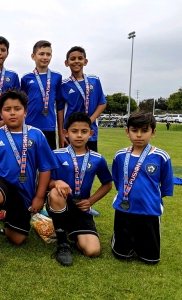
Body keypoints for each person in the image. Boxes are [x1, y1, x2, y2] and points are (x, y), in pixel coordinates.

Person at [0, 89, 57, 260]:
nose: (12, 113)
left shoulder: (37, 135)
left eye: (17, 108)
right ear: (1, 113)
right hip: (1, 184)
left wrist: (39, 197)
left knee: (17, 239)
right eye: (7, 109)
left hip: (24, 195)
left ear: (25, 111)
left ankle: (6, 220)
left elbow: (45, 168)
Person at [47, 112, 112, 266]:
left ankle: (70, 232)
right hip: (58, 203)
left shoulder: (97, 159)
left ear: (91, 133)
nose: (79, 136)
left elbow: (107, 184)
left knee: (92, 251)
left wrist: (90, 201)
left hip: (80, 208)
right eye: (74, 131)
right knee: (56, 193)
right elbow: (46, 182)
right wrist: (57, 182)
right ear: (65, 133)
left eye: (84, 132)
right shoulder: (56, 155)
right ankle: (63, 244)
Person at [111, 111, 173, 264]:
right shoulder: (120, 156)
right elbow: (117, 180)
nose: (139, 135)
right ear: (127, 132)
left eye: (144, 130)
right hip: (124, 210)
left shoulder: (161, 156)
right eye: (134, 130)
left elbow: (165, 186)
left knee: (150, 259)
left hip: (149, 210)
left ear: (153, 133)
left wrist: (149, 197)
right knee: (121, 255)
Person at [57, 46, 107, 152]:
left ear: (85, 61)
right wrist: (61, 133)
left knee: (91, 163)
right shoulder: (64, 85)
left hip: (90, 130)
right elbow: (60, 109)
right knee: (71, 163)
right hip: (71, 132)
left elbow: (102, 103)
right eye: (72, 59)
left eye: (80, 58)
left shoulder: (94, 80)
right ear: (66, 63)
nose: (76, 61)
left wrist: (90, 120)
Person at [21, 40, 62, 150]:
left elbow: (60, 104)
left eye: (48, 54)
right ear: (33, 56)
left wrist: (61, 132)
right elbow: (22, 104)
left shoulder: (57, 77)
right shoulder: (26, 78)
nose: (45, 57)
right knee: (30, 160)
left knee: (48, 163)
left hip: (49, 126)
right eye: (41, 54)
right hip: (30, 126)